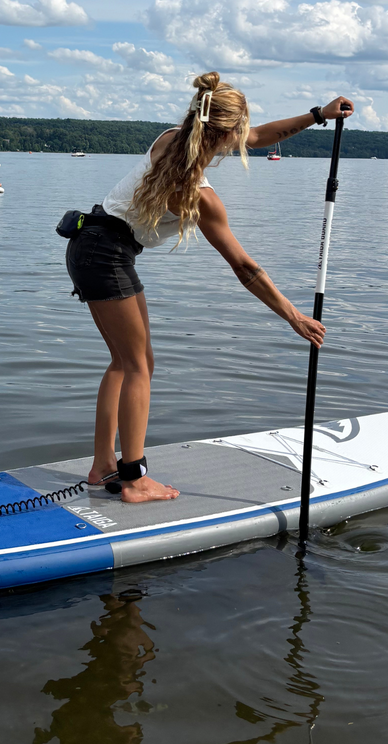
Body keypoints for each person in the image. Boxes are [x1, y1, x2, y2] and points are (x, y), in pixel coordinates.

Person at [66, 72, 354, 504]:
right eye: (240, 131)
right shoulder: (202, 197)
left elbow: (258, 136)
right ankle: (133, 479)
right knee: (139, 365)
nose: (246, 138)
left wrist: (319, 115)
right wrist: (293, 315)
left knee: (128, 362)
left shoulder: (170, 138)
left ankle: (102, 465)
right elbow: (246, 268)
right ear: (225, 133)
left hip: (91, 245)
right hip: (105, 256)